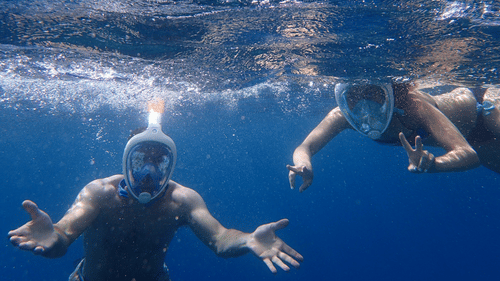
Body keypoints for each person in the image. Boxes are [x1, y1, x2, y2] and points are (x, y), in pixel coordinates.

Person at [8, 101, 303, 281]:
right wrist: (52, 237)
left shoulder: (181, 201)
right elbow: (63, 236)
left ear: (170, 165)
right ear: (126, 161)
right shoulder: (100, 194)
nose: (148, 173)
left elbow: (220, 238)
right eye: (140, 161)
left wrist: (248, 239)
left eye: (158, 162)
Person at [287, 82, 500, 192]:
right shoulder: (343, 116)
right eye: (353, 97)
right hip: (477, 140)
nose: (363, 105)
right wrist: (304, 165)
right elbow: (305, 147)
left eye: (370, 93)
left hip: (488, 110)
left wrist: (435, 164)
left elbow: (466, 154)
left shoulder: (414, 106)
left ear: (388, 92)